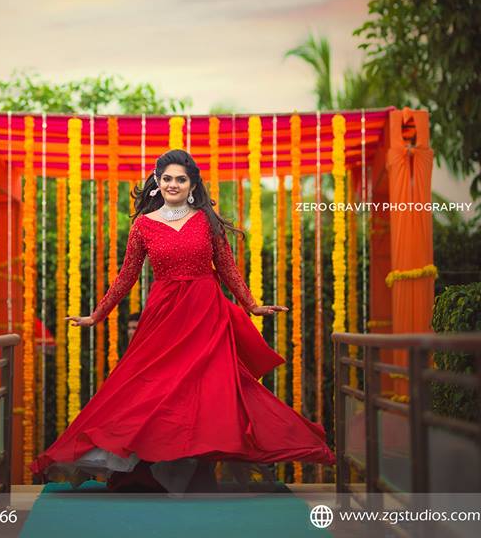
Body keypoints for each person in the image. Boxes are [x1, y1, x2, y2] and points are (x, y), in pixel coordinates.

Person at [31, 149, 335, 493]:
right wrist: (96, 315)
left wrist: (252, 305)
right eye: (167, 178)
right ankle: (152, 468)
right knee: (150, 388)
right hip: (164, 316)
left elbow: (228, 269)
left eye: (180, 179)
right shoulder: (143, 226)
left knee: (212, 388)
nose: (173, 184)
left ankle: (197, 466)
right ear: (157, 184)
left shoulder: (207, 221)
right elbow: (126, 277)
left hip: (206, 311)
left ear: (192, 185)